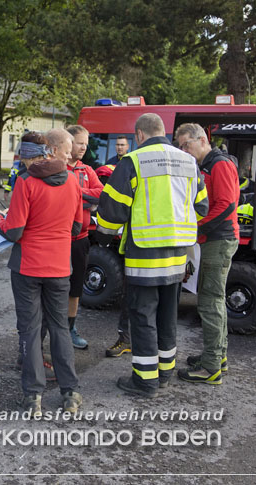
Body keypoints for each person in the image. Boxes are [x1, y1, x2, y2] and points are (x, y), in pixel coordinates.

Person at [96, 114, 208, 398]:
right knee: (167, 314)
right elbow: (202, 206)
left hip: (145, 253)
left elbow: (113, 211)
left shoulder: (133, 161)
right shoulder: (188, 162)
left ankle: (145, 381)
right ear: (164, 132)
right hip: (178, 254)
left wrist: (102, 235)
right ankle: (165, 373)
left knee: (143, 314)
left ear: (139, 135)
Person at [0, 128, 84, 417]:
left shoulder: (26, 182)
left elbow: (15, 230)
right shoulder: (72, 181)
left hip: (28, 266)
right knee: (60, 327)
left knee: (31, 330)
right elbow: (77, 227)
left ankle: (33, 396)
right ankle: (70, 392)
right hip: (59, 266)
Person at [174, 123, 239, 385]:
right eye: (180, 146)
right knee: (215, 301)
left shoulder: (219, 164)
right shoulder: (208, 165)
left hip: (217, 239)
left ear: (202, 140)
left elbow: (226, 204)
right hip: (215, 239)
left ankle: (211, 367)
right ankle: (217, 357)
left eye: (186, 145)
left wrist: (196, 228)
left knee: (209, 303)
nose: (183, 150)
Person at [65, 125, 104, 349]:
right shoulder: (57, 168)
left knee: (75, 287)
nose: (83, 148)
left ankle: (71, 329)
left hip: (80, 239)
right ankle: (50, 330)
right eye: (80, 142)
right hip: (56, 240)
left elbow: (100, 194)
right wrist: (84, 199)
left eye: (86, 144)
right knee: (51, 287)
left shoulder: (87, 171)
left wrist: (75, 193)